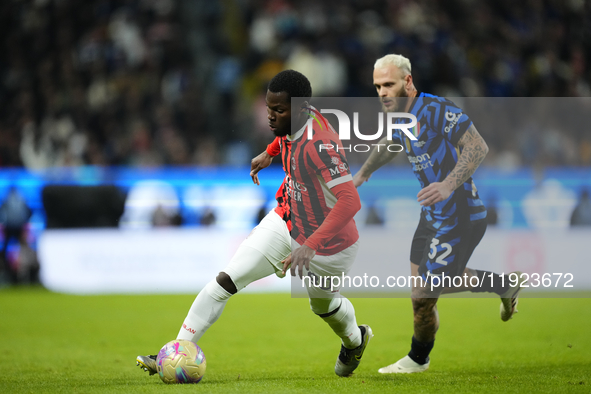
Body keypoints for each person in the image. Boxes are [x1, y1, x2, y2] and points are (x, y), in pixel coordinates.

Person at [137, 70, 371, 377]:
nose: (270, 117)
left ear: (300, 110)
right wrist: (269, 152)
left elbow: (350, 201)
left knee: (323, 307)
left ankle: (355, 341)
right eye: (268, 108)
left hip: (330, 245)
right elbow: (285, 137)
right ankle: (175, 353)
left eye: (278, 110)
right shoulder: (296, 120)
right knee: (224, 282)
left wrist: (309, 247)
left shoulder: (321, 145)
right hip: (287, 219)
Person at [353, 54, 525, 374]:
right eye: (377, 86)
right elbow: (391, 143)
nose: (382, 92)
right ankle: (503, 284)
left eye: (388, 84)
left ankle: (418, 359)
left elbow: (477, 146)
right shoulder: (399, 115)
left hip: (460, 215)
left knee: (422, 295)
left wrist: (447, 184)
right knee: (426, 285)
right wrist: (362, 174)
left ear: (408, 81)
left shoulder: (434, 109)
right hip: (432, 215)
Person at [0, 186, 33, 284]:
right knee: (24, 249)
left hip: (9, 227)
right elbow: (29, 212)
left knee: (5, 249)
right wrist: (24, 222)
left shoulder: (6, 200)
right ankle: (27, 272)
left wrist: (5, 223)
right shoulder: (22, 199)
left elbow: (1, 212)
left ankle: (5, 269)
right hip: (19, 227)